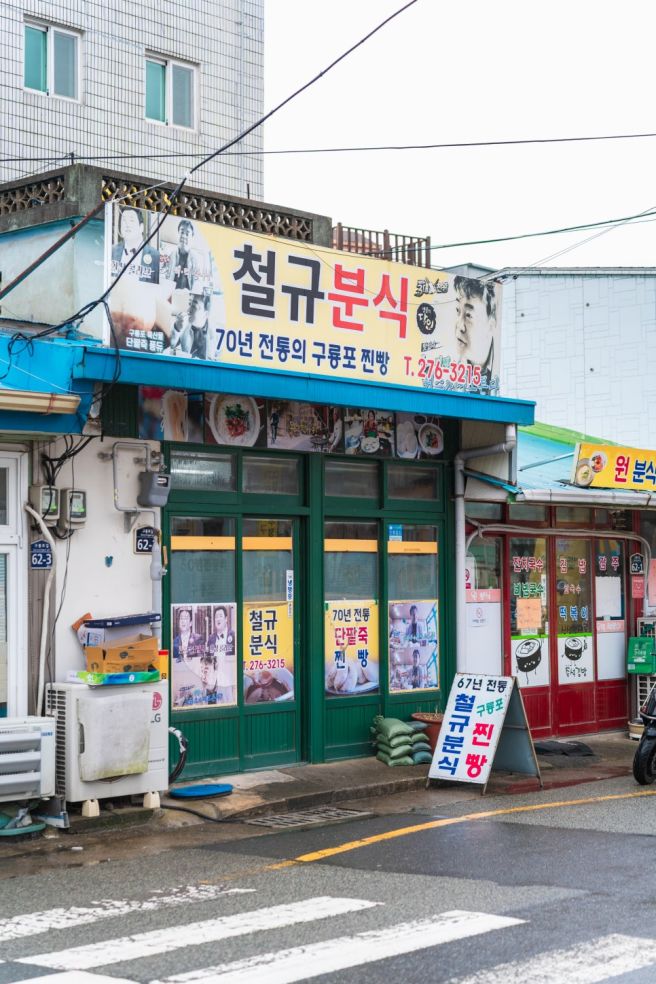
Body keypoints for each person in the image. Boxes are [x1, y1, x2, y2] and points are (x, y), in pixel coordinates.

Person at [453, 276, 498, 393]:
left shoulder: (501, 369)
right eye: (458, 310)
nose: (460, 326)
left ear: (491, 324)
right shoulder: (448, 372)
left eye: (468, 315)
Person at [111, 206, 160, 284]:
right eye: (124, 220)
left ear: (141, 227)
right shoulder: (112, 251)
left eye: (131, 220)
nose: (127, 224)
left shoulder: (155, 255)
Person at [167, 219, 204, 291]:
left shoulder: (196, 260)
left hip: (188, 299)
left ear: (192, 237)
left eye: (187, 233)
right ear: (178, 234)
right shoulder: (170, 255)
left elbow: (198, 285)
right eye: (182, 232)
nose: (184, 236)